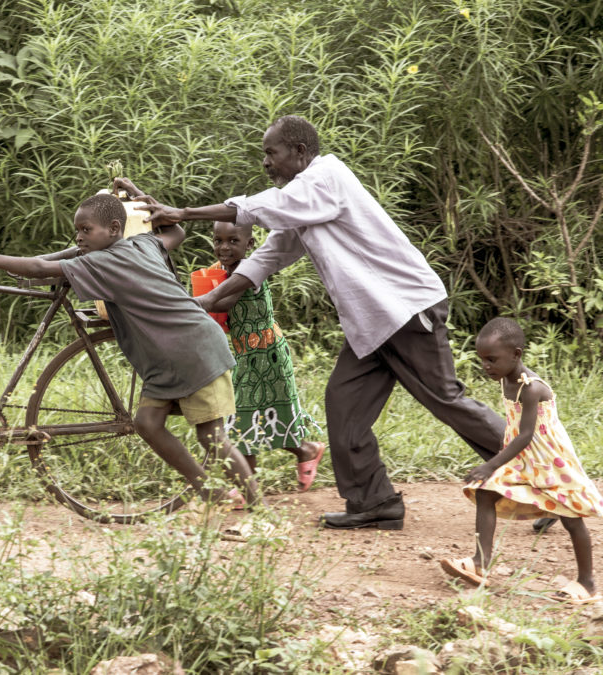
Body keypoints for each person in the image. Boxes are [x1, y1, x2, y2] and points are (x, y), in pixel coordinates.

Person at [124, 114, 506, 530]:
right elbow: (271, 254)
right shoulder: (304, 199)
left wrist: (182, 211)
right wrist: (210, 298)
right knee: (344, 407)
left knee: (447, 401)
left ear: (300, 152)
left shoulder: (326, 178)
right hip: (373, 324)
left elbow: (264, 208)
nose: (266, 162)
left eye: (272, 153)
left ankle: (548, 472)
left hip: (406, 310)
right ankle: (374, 502)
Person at [0, 191, 260, 520]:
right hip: (170, 357)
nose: (79, 237)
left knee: (212, 436)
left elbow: (41, 267)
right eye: (78, 231)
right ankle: (207, 490)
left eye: (86, 230)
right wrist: (150, 204)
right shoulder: (142, 244)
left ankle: (259, 507)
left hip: (195, 351)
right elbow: (176, 232)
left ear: (114, 228)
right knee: (147, 422)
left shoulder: (105, 262)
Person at [440, 318, 602, 603]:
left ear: (516, 354)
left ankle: (587, 583)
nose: (486, 366)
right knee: (486, 492)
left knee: (572, 519)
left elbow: (525, 435)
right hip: (526, 460)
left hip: (551, 462)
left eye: (492, 359)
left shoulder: (532, 388)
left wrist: (491, 464)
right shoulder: (506, 378)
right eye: (482, 360)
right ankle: (480, 563)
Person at [206, 218, 325, 491]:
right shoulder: (224, 270)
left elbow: (224, 301)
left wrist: (199, 301)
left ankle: (247, 488)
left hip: (266, 355)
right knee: (265, 415)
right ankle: (306, 450)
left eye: (233, 241)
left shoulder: (248, 271)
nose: (224, 247)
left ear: (250, 244)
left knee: (242, 419)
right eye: (218, 241)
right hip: (249, 355)